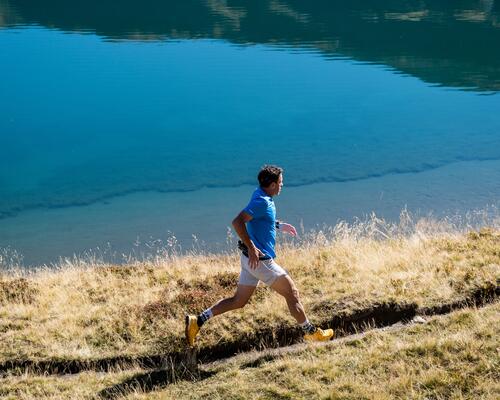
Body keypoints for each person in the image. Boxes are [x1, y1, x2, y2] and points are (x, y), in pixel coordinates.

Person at [185, 165, 333, 346]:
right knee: (292, 293)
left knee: (238, 301)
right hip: (260, 261)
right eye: (280, 182)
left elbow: (259, 220)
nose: (282, 185)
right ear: (271, 185)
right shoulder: (262, 201)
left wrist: (278, 225)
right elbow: (237, 222)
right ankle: (311, 332)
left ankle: (198, 320)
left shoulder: (260, 195)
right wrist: (253, 247)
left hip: (249, 261)